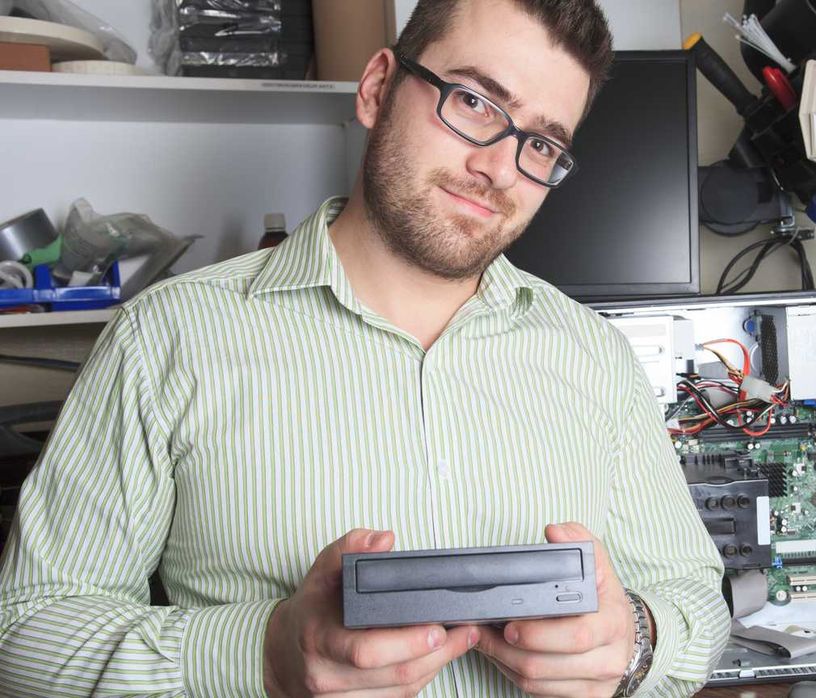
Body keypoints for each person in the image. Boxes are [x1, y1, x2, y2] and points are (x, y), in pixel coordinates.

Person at [0, 0, 730, 695]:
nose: (500, 170)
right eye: (474, 102)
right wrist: (262, 655)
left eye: (541, 143)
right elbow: (24, 636)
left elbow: (696, 599)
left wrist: (635, 640)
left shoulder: (595, 359)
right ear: (379, 87)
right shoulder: (168, 338)